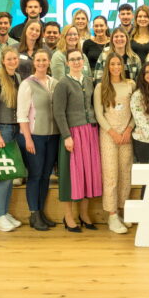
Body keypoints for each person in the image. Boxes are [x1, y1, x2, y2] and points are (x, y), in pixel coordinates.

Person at [53, 48, 102, 232]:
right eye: (72, 59)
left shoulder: (89, 81)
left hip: (90, 132)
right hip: (73, 134)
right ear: (67, 63)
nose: (76, 62)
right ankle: (68, 216)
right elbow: (58, 112)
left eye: (79, 59)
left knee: (88, 174)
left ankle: (84, 214)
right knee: (71, 176)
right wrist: (66, 136)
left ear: (83, 61)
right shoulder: (63, 84)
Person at [17, 49, 59, 232]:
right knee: (35, 175)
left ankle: (41, 212)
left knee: (45, 175)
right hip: (35, 136)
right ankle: (33, 213)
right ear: (34, 63)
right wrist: (28, 139)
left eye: (44, 60)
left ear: (49, 62)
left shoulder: (54, 83)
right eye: (38, 60)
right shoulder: (27, 84)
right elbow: (22, 114)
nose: (41, 63)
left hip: (53, 136)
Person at [94, 52, 135, 234]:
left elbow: (136, 111)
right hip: (108, 135)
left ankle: (122, 209)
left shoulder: (130, 85)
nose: (116, 67)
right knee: (111, 174)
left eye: (118, 64)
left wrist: (128, 129)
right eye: (112, 64)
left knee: (125, 173)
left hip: (126, 135)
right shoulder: (101, 87)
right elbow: (99, 114)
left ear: (123, 66)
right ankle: (112, 215)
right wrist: (112, 132)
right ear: (107, 67)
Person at [0, 47, 24, 232]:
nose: (12, 61)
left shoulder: (17, 77)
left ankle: (5, 212)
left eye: (15, 58)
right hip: (1, 130)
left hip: (14, 129)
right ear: (3, 61)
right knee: (3, 176)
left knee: (10, 175)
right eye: (9, 59)